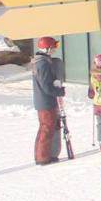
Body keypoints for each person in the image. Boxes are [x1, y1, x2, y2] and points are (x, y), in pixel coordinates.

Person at [32, 37, 64, 166]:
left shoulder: (41, 61)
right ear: (47, 48)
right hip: (46, 101)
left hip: (44, 100)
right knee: (47, 128)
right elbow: (46, 86)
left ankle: (44, 155)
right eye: (53, 47)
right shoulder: (43, 64)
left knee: (46, 127)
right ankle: (43, 157)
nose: (54, 50)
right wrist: (58, 91)